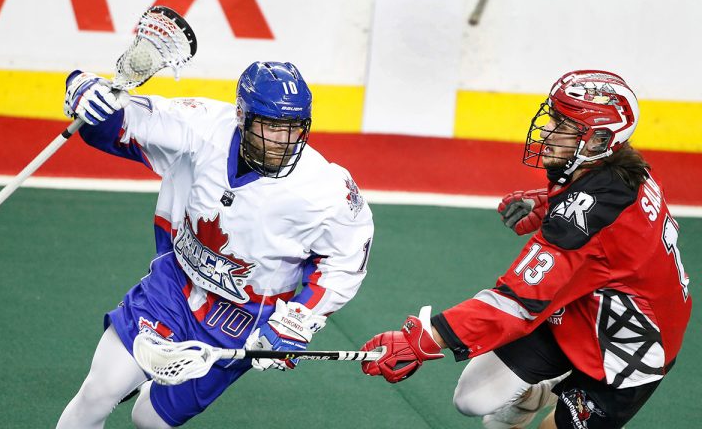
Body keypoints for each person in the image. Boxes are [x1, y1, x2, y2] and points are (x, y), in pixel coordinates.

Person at [360, 70, 691, 429]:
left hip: (626, 349)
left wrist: (425, 337)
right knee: (473, 399)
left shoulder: (582, 220)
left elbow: (515, 302)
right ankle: (541, 391)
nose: (548, 132)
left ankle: (559, 392)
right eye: (553, 118)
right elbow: (604, 223)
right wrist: (549, 203)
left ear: (598, 141)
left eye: (565, 126)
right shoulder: (626, 168)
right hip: (583, 304)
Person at [56, 61, 374, 428]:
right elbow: (120, 124)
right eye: (270, 126)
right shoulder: (201, 125)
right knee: (98, 392)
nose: (282, 141)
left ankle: (146, 387)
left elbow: (344, 263)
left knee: (150, 420)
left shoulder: (326, 190)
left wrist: (295, 321)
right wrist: (83, 89)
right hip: (173, 286)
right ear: (241, 115)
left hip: (240, 321)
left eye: (292, 128)